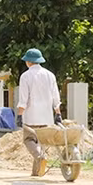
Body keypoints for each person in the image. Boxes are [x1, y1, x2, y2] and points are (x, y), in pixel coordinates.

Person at [16, 48, 62, 177]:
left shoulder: (25, 76)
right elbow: (55, 96)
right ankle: (36, 172)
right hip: (46, 117)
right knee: (40, 143)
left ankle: (40, 157)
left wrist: (20, 114)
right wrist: (57, 113)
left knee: (28, 140)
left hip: (31, 116)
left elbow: (24, 99)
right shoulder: (50, 75)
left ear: (29, 62)